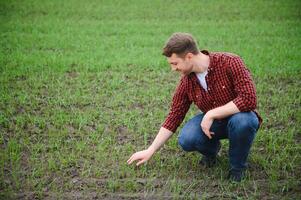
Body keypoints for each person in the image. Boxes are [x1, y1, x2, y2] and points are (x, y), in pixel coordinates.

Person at [127, 32, 262, 182]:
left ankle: (237, 168)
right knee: (187, 138)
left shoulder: (230, 62)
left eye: (175, 63)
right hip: (213, 125)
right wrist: (150, 150)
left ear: (189, 56)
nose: (173, 69)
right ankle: (211, 152)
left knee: (243, 122)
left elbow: (249, 99)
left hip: (240, 117)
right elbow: (174, 115)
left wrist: (211, 114)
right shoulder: (187, 82)